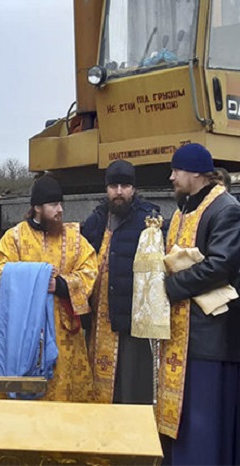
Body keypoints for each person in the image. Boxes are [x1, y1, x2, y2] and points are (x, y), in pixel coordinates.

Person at [158, 143, 240, 464]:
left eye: (176, 170)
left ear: (195, 173)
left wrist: (171, 287)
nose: (171, 177)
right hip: (183, 339)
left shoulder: (226, 209)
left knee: (204, 428)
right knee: (183, 424)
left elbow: (221, 265)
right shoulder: (184, 209)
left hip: (211, 341)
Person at [0, 175, 98, 402]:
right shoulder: (15, 238)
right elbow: (0, 268)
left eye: (61, 204)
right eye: (53, 205)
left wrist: (60, 284)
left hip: (65, 332)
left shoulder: (75, 238)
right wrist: (36, 282)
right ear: (37, 207)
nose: (59, 210)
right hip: (28, 330)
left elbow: (90, 272)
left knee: (66, 391)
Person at [82, 160, 160, 404]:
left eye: (124, 185)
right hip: (99, 321)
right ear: (106, 189)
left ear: (133, 189)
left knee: (130, 386)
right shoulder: (96, 220)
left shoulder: (148, 220)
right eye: (113, 185)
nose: (119, 191)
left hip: (130, 320)